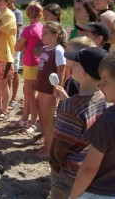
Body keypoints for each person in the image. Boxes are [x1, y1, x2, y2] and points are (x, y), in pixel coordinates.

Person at [70, 49, 115, 199]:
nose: (101, 85)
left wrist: (73, 197)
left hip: (97, 193)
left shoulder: (109, 119)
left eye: (106, 81)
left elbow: (88, 169)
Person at [49, 47, 109, 199]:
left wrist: (55, 165)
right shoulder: (102, 97)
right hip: (88, 167)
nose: (71, 65)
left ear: (84, 72)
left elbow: (60, 145)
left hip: (68, 172)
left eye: (76, 63)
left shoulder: (71, 107)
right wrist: (66, 100)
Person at [34, 21, 67, 158]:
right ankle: (47, 143)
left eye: (45, 33)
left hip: (49, 90)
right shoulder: (45, 48)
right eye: (42, 33)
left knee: (48, 121)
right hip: (41, 88)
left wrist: (56, 91)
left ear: (55, 35)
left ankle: (49, 150)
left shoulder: (58, 50)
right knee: (42, 118)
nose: (42, 35)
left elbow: (62, 73)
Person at [10, 1, 43, 130]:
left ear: (28, 13)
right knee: (28, 92)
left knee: (30, 93)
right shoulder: (41, 27)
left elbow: (17, 47)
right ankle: (25, 118)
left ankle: (33, 122)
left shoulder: (29, 29)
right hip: (37, 63)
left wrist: (23, 44)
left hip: (30, 63)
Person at [8, 0, 23, 109]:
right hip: (6, 45)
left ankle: (13, 98)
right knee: (7, 71)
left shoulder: (17, 13)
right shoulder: (4, 12)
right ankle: (7, 96)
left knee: (15, 71)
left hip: (15, 45)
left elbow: (15, 28)